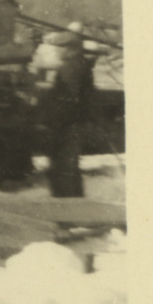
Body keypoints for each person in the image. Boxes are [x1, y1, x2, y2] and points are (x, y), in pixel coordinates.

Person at [32, 21, 94, 198]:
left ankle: (69, 206)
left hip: (67, 125)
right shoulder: (77, 64)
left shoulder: (71, 67)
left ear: (69, 48)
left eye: (60, 47)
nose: (57, 51)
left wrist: (52, 121)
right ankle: (71, 203)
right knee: (66, 167)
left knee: (64, 167)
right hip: (71, 123)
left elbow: (68, 99)